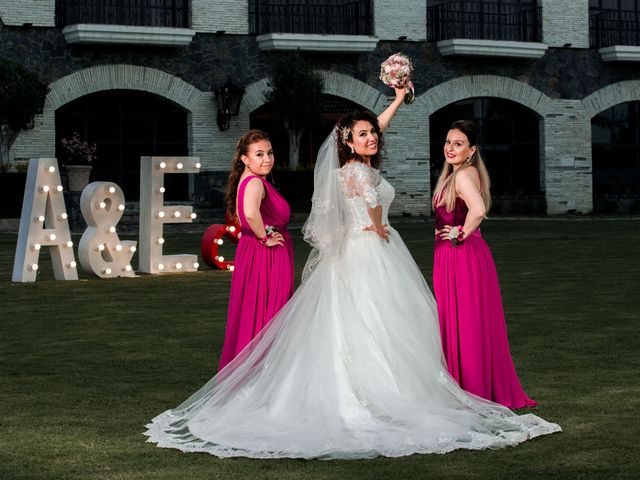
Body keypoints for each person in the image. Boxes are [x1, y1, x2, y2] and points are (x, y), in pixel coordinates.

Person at [145, 90, 559, 459]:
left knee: (371, 318)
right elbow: (372, 200)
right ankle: (384, 394)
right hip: (370, 247)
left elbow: (371, 137)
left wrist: (396, 100)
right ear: (348, 141)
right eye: (363, 135)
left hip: (359, 247)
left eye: (372, 134)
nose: (372, 138)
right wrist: (378, 222)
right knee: (378, 317)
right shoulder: (357, 172)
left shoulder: (349, 168)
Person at [432, 120, 537, 409]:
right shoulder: (456, 175)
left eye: (458, 143)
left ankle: (473, 390)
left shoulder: (464, 175)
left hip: (461, 255)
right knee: (461, 321)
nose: (450, 148)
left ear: (471, 150)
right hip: (453, 256)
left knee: (466, 322)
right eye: (447, 141)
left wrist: (459, 233)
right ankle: (469, 386)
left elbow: (478, 211)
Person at [217, 129, 294, 371]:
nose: (267, 159)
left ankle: (254, 370)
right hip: (266, 255)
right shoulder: (255, 183)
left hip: (253, 252)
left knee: (255, 312)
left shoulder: (247, 180)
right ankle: (266, 372)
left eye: (269, 153)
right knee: (272, 313)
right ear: (245, 159)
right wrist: (266, 238)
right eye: (259, 154)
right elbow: (250, 213)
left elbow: (245, 215)